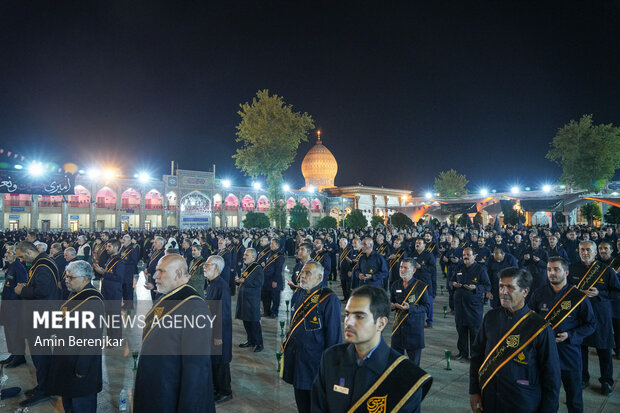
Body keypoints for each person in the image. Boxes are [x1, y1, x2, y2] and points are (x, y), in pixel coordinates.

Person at [311, 285, 432, 413]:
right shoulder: (331, 358)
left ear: (381, 323)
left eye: (359, 316)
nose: (348, 322)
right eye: (347, 314)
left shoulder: (406, 377)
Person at [469, 267, 561, 413]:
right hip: (491, 398)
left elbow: (552, 376)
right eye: (501, 287)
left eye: (510, 287)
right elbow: (477, 356)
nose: (503, 292)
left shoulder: (539, 327)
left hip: (522, 401)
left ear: (525, 291)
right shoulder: (490, 317)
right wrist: (474, 391)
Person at [134, 254, 215, 413]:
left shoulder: (194, 308)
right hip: (156, 388)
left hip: (169, 395)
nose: (155, 275)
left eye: (161, 271)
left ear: (178, 274)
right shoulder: (167, 297)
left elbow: (196, 370)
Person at [529, 257, 596, 413]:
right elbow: (529, 319)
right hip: (545, 352)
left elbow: (591, 324)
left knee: (574, 396)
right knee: (548, 396)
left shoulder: (577, 296)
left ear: (566, 272)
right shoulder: (539, 293)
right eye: (549, 269)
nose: (552, 273)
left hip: (569, 352)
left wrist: (571, 335)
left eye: (556, 269)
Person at [281, 260, 342, 413]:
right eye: (302, 272)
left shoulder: (329, 298)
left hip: (314, 363)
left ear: (319, 277)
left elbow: (333, 336)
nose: (302, 275)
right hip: (297, 358)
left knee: (314, 405)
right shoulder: (301, 292)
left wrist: (331, 367)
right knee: (301, 399)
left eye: (308, 273)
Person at [48, 260, 105, 413]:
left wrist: (82, 367)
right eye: (66, 277)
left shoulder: (92, 301)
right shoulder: (76, 294)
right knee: (69, 403)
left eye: (71, 277)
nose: (66, 280)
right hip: (68, 360)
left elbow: (92, 339)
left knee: (81, 404)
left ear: (85, 279)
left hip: (80, 366)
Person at [567, 240, 619, 395]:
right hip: (579, 316)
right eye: (582, 250)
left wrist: (600, 294)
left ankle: (606, 381)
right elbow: (566, 288)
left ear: (595, 252)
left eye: (588, 250)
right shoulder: (573, 268)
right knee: (580, 348)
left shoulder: (606, 270)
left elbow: (617, 292)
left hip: (600, 315)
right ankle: (583, 377)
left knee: (604, 349)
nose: (585, 253)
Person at [14, 241, 61, 407]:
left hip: (42, 318)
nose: (20, 260)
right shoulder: (40, 263)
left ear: (28, 252)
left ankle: (45, 390)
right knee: (40, 354)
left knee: (41, 355)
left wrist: (22, 290)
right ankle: (44, 385)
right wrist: (27, 286)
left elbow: (43, 292)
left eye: (21, 256)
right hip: (40, 315)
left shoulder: (43, 266)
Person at [450, 247, 490, 360]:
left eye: (468, 254)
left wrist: (476, 287)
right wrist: (453, 284)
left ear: (474, 256)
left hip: (474, 306)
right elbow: (450, 280)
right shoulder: (459, 267)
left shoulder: (480, 269)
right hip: (459, 305)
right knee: (461, 330)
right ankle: (462, 353)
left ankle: (475, 355)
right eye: (464, 255)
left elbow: (487, 285)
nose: (466, 257)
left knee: (474, 331)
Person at [204, 255, 233, 404]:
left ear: (216, 267)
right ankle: (216, 388)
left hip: (219, 332)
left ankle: (225, 392)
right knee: (214, 361)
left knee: (221, 363)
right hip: (211, 329)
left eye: (207, 264)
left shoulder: (222, 287)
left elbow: (224, 314)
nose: (204, 266)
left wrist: (218, 335)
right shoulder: (211, 283)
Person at [390, 258, 430, 366]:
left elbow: (426, 307)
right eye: (401, 267)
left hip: (414, 330)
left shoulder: (421, 287)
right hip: (398, 329)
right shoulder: (395, 285)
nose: (402, 270)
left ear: (413, 270)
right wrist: (391, 306)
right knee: (396, 363)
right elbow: (391, 301)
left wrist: (410, 308)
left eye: (405, 268)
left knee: (414, 365)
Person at [0, 244, 27, 368]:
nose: (6, 255)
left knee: (15, 332)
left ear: (16, 255)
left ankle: (19, 357)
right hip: (7, 305)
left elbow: (21, 287)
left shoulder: (19, 267)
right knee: (9, 331)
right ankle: (13, 353)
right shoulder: (11, 266)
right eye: (6, 253)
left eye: (9, 253)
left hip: (14, 306)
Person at [93, 239, 125, 340]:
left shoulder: (119, 261)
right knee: (109, 316)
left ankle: (115, 338)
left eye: (109, 246)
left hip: (114, 292)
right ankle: (111, 337)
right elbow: (108, 272)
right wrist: (101, 271)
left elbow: (119, 278)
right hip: (107, 291)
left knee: (114, 316)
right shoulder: (110, 259)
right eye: (107, 246)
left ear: (116, 248)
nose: (107, 248)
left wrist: (104, 273)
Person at [235, 248, 264, 352]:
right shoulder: (248, 267)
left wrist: (245, 281)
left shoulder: (257, 268)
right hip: (244, 298)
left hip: (252, 299)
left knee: (254, 322)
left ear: (253, 256)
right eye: (244, 255)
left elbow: (259, 283)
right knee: (246, 321)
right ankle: (250, 340)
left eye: (246, 255)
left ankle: (259, 343)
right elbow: (244, 280)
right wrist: (238, 281)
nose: (244, 257)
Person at [261, 238, 284, 317]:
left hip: (274, 279)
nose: (270, 245)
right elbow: (268, 263)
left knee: (275, 297)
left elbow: (278, 269)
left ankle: (274, 312)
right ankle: (266, 311)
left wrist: (275, 280)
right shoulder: (270, 253)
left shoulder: (279, 255)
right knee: (266, 296)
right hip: (266, 279)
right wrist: (264, 264)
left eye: (272, 244)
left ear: (277, 245)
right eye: (270, 243)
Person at [119, 234, 140, 310]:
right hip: (122, 271)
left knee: (128, 288)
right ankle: (125, 303)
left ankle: (130, 304)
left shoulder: (133, 249)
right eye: (123, 239)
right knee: (123, 287)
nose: (123, 241)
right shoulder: (122, 249)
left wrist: (124, 262)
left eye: (124, 240)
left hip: (128, 271)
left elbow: (134, 261)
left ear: (128, 241)